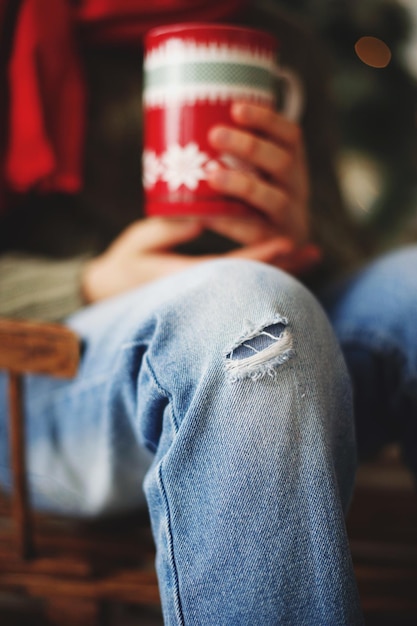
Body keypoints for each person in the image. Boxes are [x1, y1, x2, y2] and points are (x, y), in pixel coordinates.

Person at [1, 0, 415, 624]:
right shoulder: (16, 30)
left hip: (273, 322)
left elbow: (338, 270)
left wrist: (305, 229)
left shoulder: (274, 43)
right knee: (246, 320)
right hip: (45, 382)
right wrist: (90, 281)